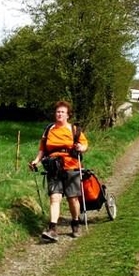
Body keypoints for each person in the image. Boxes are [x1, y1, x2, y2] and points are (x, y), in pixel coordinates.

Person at [29, 101, 88, 242]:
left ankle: (75, 222)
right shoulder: (49, 129)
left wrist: (81, 147)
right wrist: (36, 161)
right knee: (54, 198)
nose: (59, 114)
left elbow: (85, 144)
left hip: (71, 166)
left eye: (62, 112)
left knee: (72, 198)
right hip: (53, 167)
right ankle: (52, 229)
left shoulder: (74, 130)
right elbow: (43, 148)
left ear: (68, 115)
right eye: (57, 112)